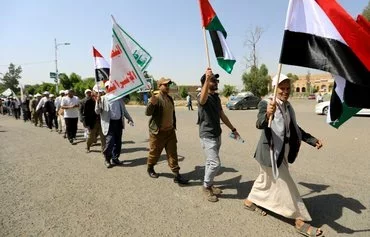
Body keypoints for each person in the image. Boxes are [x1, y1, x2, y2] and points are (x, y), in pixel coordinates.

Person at [243, 74, 324, 237]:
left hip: (283, 152)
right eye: (282, 88)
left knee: (264, 180)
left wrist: (311, 140)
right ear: (275, 89)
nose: (285, 91)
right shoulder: (266, 103)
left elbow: (294, 128)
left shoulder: (288, 107)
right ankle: (300, 219)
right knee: (287, 185)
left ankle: (249, 201)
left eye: (288, 88)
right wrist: (267, 114)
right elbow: (259, 123)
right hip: (270, 153)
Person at [197, 68, 240, 202]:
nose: (216, 82)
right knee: (215, 163)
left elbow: (222, 115)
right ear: (206, 82)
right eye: (213, 80)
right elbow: (202, 100)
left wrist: (233, 128)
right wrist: (207, 78)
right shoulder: (202, 96)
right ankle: (205, 187)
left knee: (210, 162)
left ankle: (209, 185)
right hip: (207, 135)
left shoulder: (216, 97)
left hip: (217, 134)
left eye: (216, 80)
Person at [145, 77, 189, 184]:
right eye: (165, 85)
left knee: (173, 153)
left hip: (170, 132)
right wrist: (151, 103)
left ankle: (177, 175)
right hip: (158, 133)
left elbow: (172, 114)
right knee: (154, 153)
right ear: (159, 86)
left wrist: (173, 126)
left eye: (168, 85)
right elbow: (148, 113)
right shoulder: (155, 98)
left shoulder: (170, 99)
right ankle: (150, 168)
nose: (167, 87)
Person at [95, 81, 134, 168]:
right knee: (110, 142)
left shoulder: (119, 98)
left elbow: (124, 110)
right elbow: (97, 111)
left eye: (112, 86)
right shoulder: (102, 98)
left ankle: (115, 158)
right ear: (105, 88)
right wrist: (97, 102)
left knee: (118, 142)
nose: (110, 88)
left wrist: (129, 119)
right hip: (109, 124)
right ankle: (107, 159)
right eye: (108, 86)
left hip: (118, 123)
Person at [85, 86, 105, 153]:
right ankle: (88, 146)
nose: (98, 93)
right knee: (91, 137)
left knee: (103, 137)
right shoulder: (89, 101)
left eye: (100, 92)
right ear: (93, 92)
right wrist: (87, 124)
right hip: (93, 123)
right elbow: (86, 114)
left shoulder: (104, 100)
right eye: (97, 92)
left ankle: (104, 151)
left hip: (103, 122)